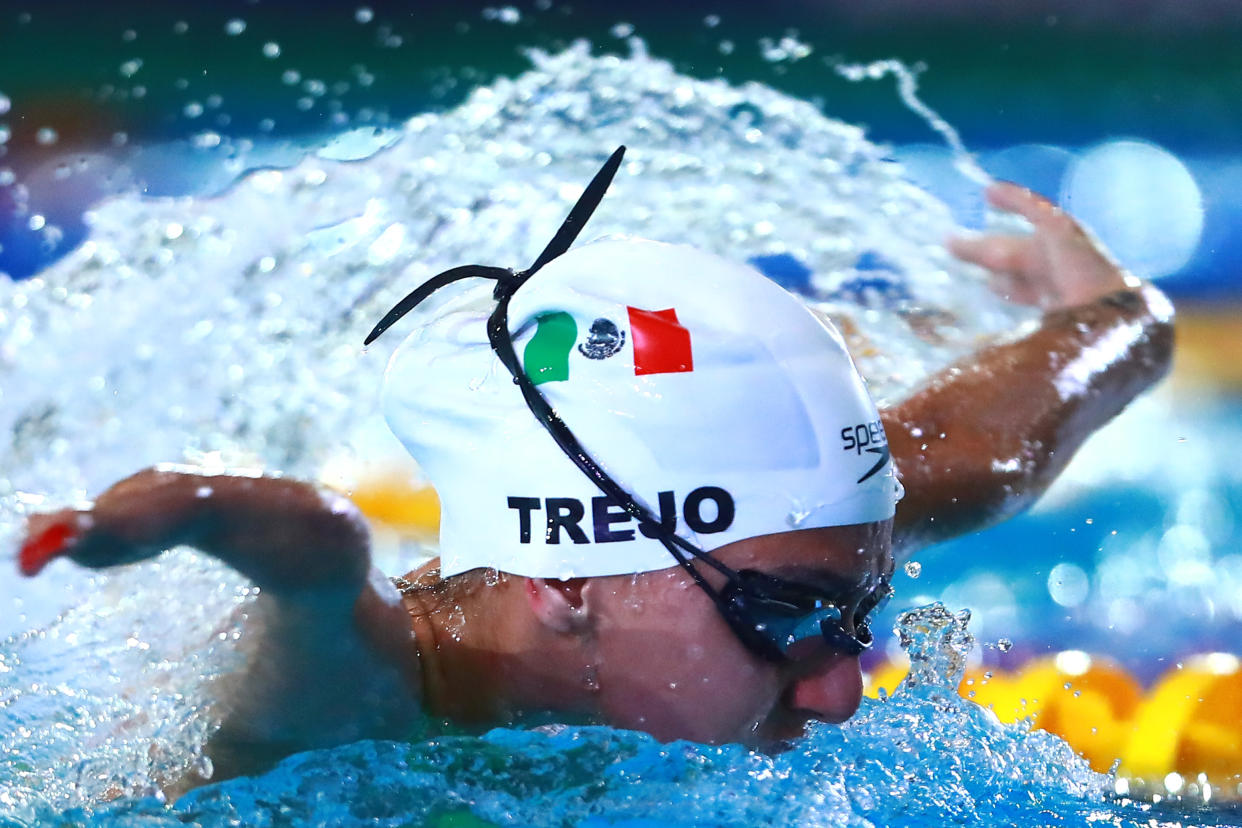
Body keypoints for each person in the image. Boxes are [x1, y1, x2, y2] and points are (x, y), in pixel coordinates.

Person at [15, 148, 1173, 787]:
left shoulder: (778, 541)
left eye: (859, 610)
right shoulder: (376, 711)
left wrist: (1128, 317)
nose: (841, 685)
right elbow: (320, 602)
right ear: (565, 582)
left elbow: (987, 446)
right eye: (792, 620)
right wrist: (279, 546)